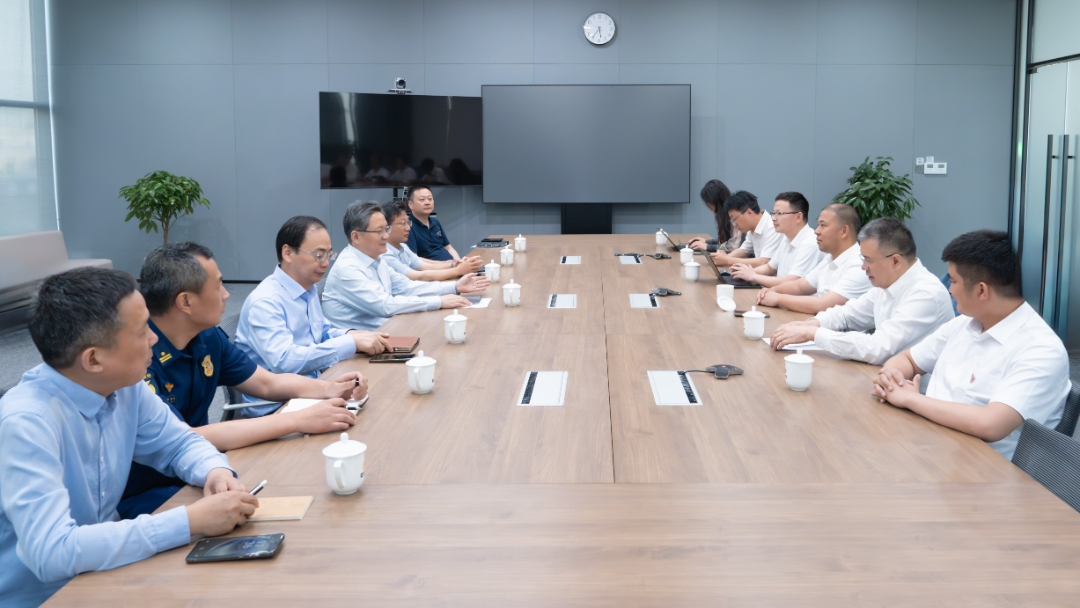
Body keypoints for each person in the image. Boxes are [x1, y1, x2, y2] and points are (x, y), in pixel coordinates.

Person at [0, 268, 258, 607]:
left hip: (105, 574)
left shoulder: (125, 387)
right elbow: (52, 552)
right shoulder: (28, 423)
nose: (154, 339)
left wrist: (215, 471)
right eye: (141, 331)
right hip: (44, 597)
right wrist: (189, 521)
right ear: (94, 359)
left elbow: (180, 443)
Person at [119, 242, 368, 519]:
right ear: (185, 302)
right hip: (152, 492)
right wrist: (296, 420)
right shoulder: (136, 360)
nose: (227, 294)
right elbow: (180, 438)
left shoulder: (206, 336)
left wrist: (329, 389)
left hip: (206, 469)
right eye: (218, 286)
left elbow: (266, 383)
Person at [872, 230, 1070, 460]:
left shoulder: (1041, 350)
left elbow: (991, 425)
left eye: (954, 281)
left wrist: (909, 398)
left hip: (984, 470)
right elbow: (907, 359)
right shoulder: (964, 324)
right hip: (931, 447)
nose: (949, 289)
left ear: (981, 290)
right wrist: (891, 379)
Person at [769, 217, 954, 364]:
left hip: (918, 390)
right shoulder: (887, 283)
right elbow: (847, 314)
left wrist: (813, 334)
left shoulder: (925, 293)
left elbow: (878, 348)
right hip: (886, 379)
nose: (863, 267)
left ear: (895, 261)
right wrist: (811, 324)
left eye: (868, 260)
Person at [234, 215, 391, 380]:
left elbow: (321, 333)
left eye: (329, 255)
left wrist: (352, 334)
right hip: (281, 395)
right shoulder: (266, 301)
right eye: (318, 255)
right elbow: (284, 361)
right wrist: (349, 343)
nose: (326, 263)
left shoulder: (308, 288)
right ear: (288, 253)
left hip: (313, 382)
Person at [322, 201, 488, 331]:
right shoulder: (348, 268)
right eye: (379, 231)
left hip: (387, 330)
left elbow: (406, 287)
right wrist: (438, 301)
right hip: (358, 350)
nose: (386, 236)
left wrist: (455, 286)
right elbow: (385, 305)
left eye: (386, 229)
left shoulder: (376, 260)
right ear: (356, 236)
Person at [755, 203, 871, 314]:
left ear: (844, 231)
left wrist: (778, 298)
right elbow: (800, 286)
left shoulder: (859, 265)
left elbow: (823, 304)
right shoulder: (830, 258)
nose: (816, 231)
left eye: (823, 225)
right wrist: (773, 290)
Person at [729, 192, 824, 288]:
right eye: (773, 213)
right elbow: (769, 268)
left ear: (798, 217)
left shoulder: (809, 243)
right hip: (780, 293)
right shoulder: (787, 239)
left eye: (779, 213)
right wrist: (745, 272)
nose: (773, 218)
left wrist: (753, 276)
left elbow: (792, 282)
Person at [381, 201, 483, 281]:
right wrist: (457, 270)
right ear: (387, 227)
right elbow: (418, 276)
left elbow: (425, 266)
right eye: (403, 223)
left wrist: (453, 265)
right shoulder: (385, 255)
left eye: (408, 223)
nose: (408, 228)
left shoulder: (403, 247)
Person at [709, 190, 784, 268]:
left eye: (734, 219)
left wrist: (728, 260)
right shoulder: (752, 228)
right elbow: (743, 251)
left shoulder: (773, 227)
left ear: (749, 212)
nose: (734, 224)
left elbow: (764, 262)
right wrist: (724, 258)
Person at [687, 179, 743, 254]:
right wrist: (707, 242)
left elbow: (734, 246)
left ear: (718, 200)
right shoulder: (722, 214)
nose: (708, 205)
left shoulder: (734, 214)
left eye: (709, 201)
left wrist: (707, 246)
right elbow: (727, 240)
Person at [406, 186, 458, 262]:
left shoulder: (435, 221)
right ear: (410, 204)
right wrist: (446, 265)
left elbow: (448, 247)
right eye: (422, 200)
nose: (427, 203)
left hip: (451, 265)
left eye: (430, 199)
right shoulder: (408, 227)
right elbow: (414, 259)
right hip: (434, 268)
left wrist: (458, 261)